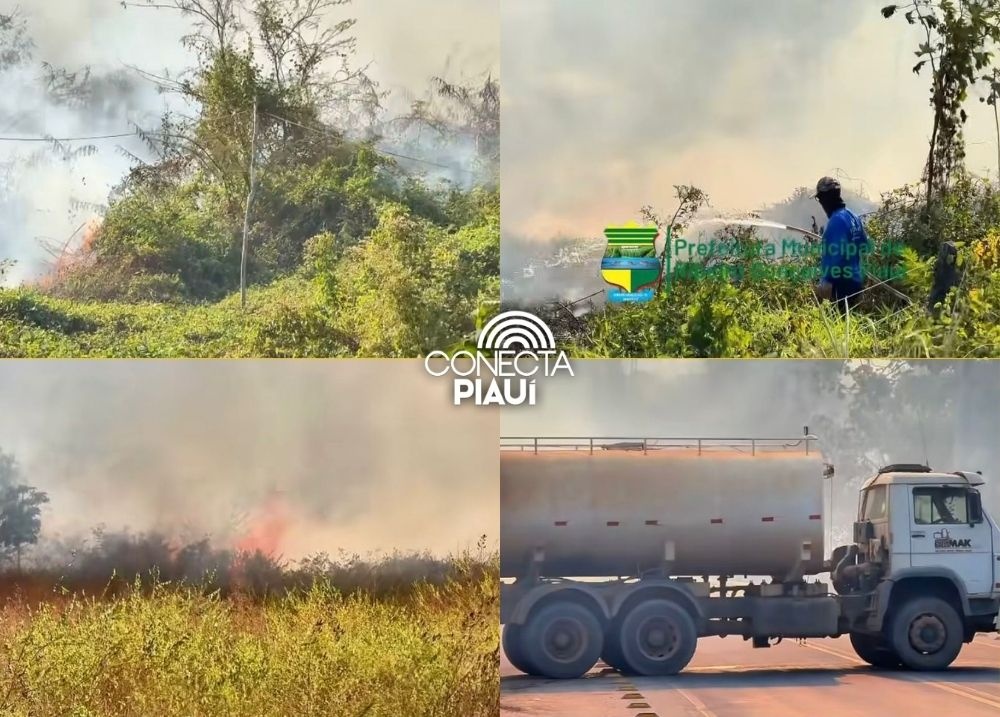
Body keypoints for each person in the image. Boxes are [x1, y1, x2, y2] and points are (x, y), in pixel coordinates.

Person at [813, 176, 869, 314]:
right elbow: (864, 244)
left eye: (820, 199)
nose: (820, 203)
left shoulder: (836, 222)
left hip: (840, 289)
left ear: (825, 199)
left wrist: (824, 285)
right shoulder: (853, 217)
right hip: (856, 284)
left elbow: (836, 261)